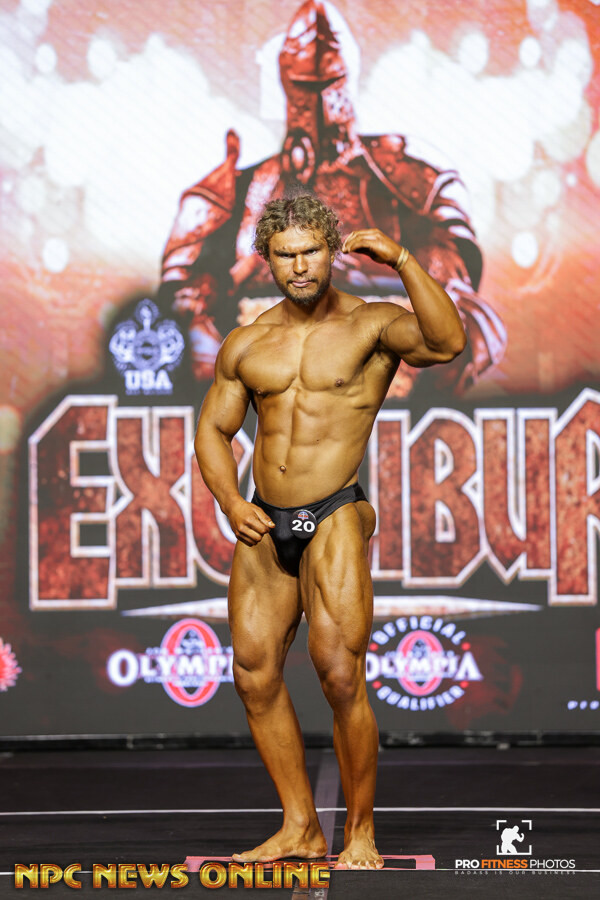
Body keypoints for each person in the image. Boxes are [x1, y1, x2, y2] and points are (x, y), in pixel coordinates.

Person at [194, 194, 467, 869]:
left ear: (332, 249)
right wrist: (229, 500)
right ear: (268, 260)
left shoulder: (371, 324)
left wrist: (403, 260)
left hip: (334, 513)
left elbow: (447, 342)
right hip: (265, 519)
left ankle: (361, 833)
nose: (299, 267)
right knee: (254, 674)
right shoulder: (247, 342)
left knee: (341, 675)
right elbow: (214, 430)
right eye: (285, 255)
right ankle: (299, 827)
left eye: (310, 251)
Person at [161, 0, 504, 396]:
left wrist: (412, 271)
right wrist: (211, 287)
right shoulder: (252, 184)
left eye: (329, 84)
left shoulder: (404, 171)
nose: (319, 103)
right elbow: (182, 293)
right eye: (306, 87)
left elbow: (455, 270)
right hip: (272, 360)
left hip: (388, 353)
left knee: (462, 319)